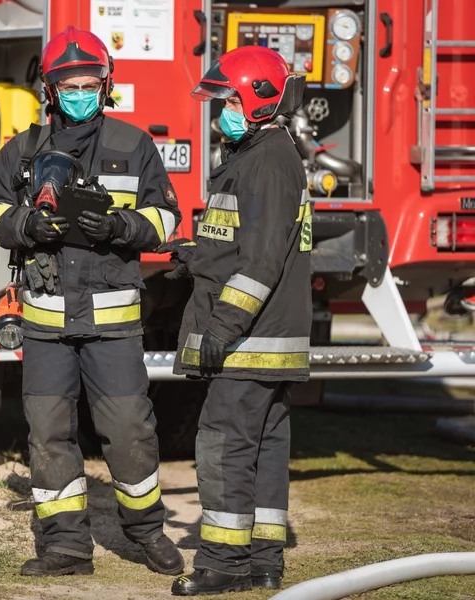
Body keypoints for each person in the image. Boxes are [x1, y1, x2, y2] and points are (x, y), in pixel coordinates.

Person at [0, 25, 184, 578]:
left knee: (130, 430)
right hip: (46, 324)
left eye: (90, 84)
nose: (80, 94)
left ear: (106, 85)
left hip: (113, 324)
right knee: (48, 434)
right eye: (69, 86)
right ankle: (66, 546)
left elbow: (167, 218)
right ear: (50, 90)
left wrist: (120, 226)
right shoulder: (23, 150)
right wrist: (26, 225)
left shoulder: (133, 145)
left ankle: (146, 532)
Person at [164, 46, 311, 596]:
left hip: (248, 340)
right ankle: (264, 562)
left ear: (257, 102)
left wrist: (222, 328)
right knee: (265, 449)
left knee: (223, 446)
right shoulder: (266, 155)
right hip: (269, 339)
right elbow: (243, 242)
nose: (219, 112)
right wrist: (196, 256)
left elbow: (262, 262)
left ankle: (223, 564)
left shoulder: (266, 163)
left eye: (227, 101)